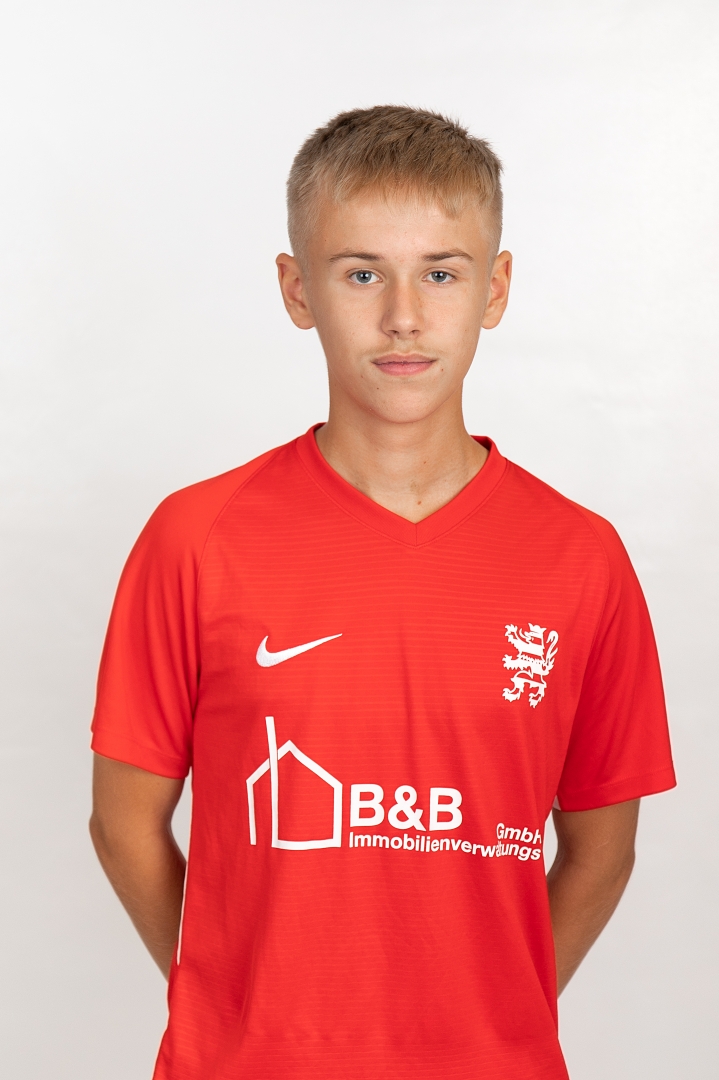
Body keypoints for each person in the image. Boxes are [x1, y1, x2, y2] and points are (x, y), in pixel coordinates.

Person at [89, 106, 676, 1080]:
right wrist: (225, 999)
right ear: (297, 290)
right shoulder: (195, 538)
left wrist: (497, 1012)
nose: (403, 315)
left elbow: (600, 850)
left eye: (440, 274)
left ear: (493, 289)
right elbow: (123, 826)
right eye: (360, 273)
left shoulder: (580, 558)